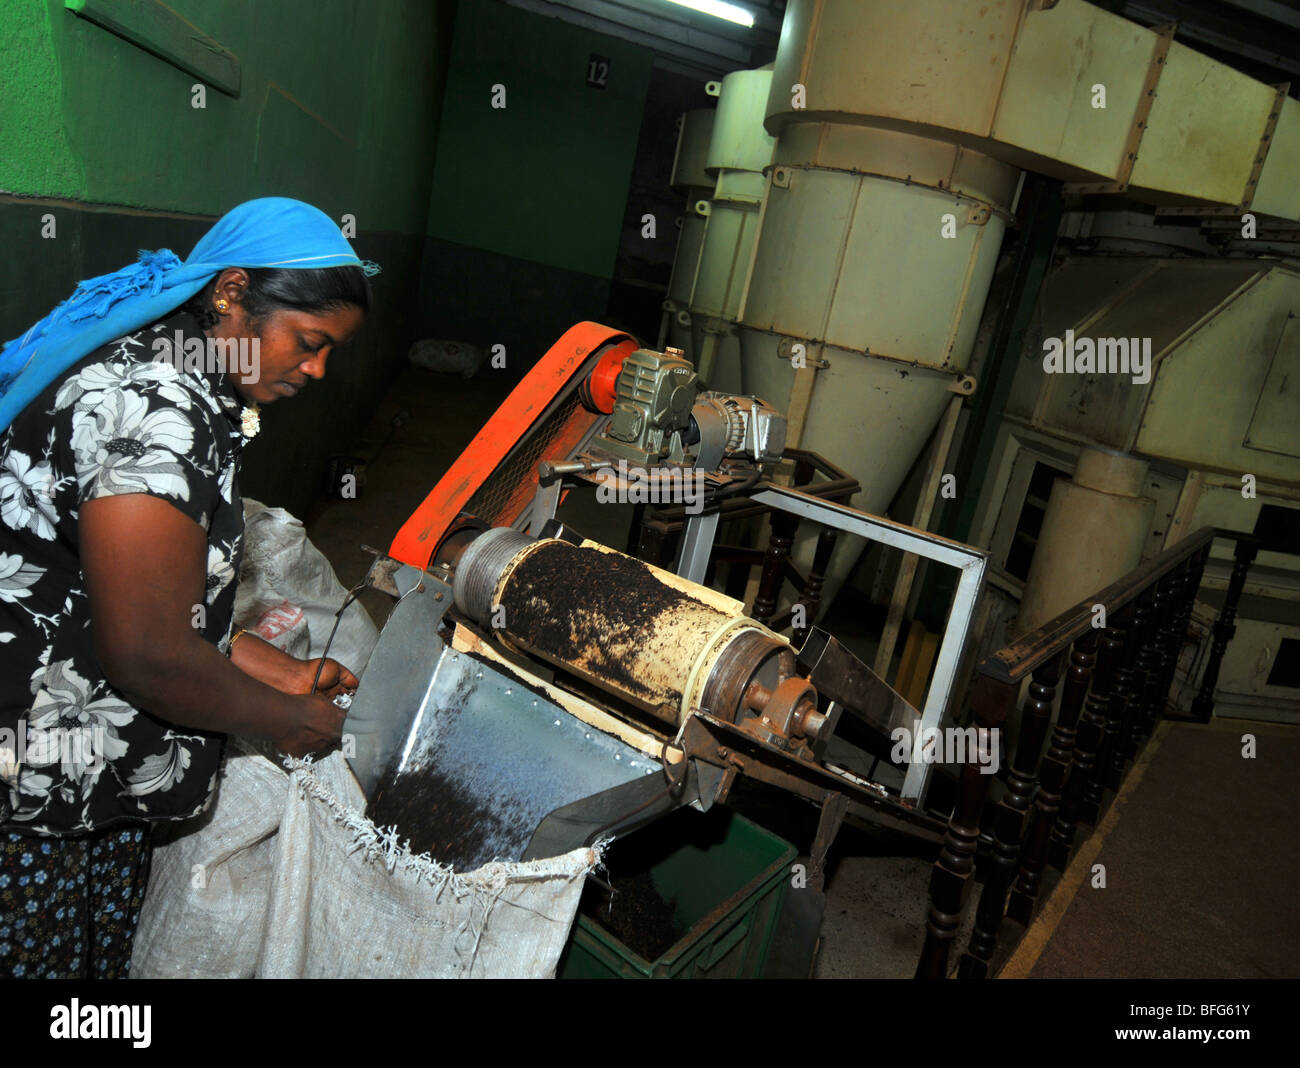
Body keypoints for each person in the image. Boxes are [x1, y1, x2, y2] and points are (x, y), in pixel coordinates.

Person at [0, 197, 376, 978]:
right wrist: (288, 720)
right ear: (231, 292)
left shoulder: (172, 372)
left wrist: (249, 659)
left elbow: (119, 595)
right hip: (37, 789)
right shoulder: (156, 413)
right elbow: (146, 652)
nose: (317, 370)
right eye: (309, 344)